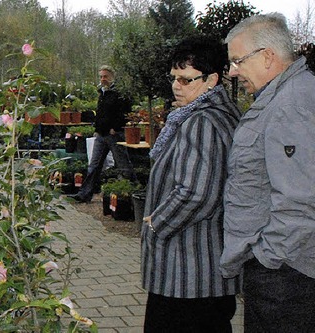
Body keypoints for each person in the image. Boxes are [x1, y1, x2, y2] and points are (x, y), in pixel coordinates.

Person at [220, 13, 315, 332]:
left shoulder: (290, 105)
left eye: (237, 60)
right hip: (283, 274)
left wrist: (266, 259)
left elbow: (300, 200)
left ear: (267, 56)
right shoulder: (283, 97)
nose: (233, 71)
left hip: (286, 278)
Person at [141, 36, 242, 332]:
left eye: (186, 80)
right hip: (205, 274)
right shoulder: (221, 114)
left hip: (187, 273)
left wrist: (157, 223)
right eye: (174, 78)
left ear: (211, 80)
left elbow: (197, 194)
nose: (176, 86)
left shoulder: (202, 122)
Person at [70, 66, 134, 203]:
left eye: (105, 76)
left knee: (123, 164)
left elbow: (125, 113)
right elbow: (100, 113)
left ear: (112, 77)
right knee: (94, 165)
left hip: (114, 135)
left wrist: (115, 128)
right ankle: (85, 194)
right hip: (101, 134)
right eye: (101, 77)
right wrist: (97, 128)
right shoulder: (102, 93)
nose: (103, 79)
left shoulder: (119, 93)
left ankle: (132, 192)